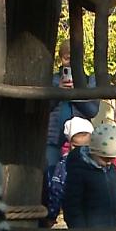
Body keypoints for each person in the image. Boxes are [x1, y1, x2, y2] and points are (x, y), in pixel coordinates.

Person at [46, 40, 99, 170]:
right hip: (53, 141)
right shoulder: (51, 80)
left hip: (81, 141)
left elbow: (92, 111)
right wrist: (58, 92)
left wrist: (75, 93)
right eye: (67, 58)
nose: (70, 62)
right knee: (50, 174)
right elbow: (44, 108)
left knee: (79, 174)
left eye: (75, 58)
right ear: (60, 58)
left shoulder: (89, 82)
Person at [44, 117, 93, 227]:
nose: (80, 151)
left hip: (90, 213)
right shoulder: (64, 165)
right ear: (69, 143)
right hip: (77, 214)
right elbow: (56, 190)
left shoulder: (95, 164)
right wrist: (52, 214)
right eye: (76, 146)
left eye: (84, 147)